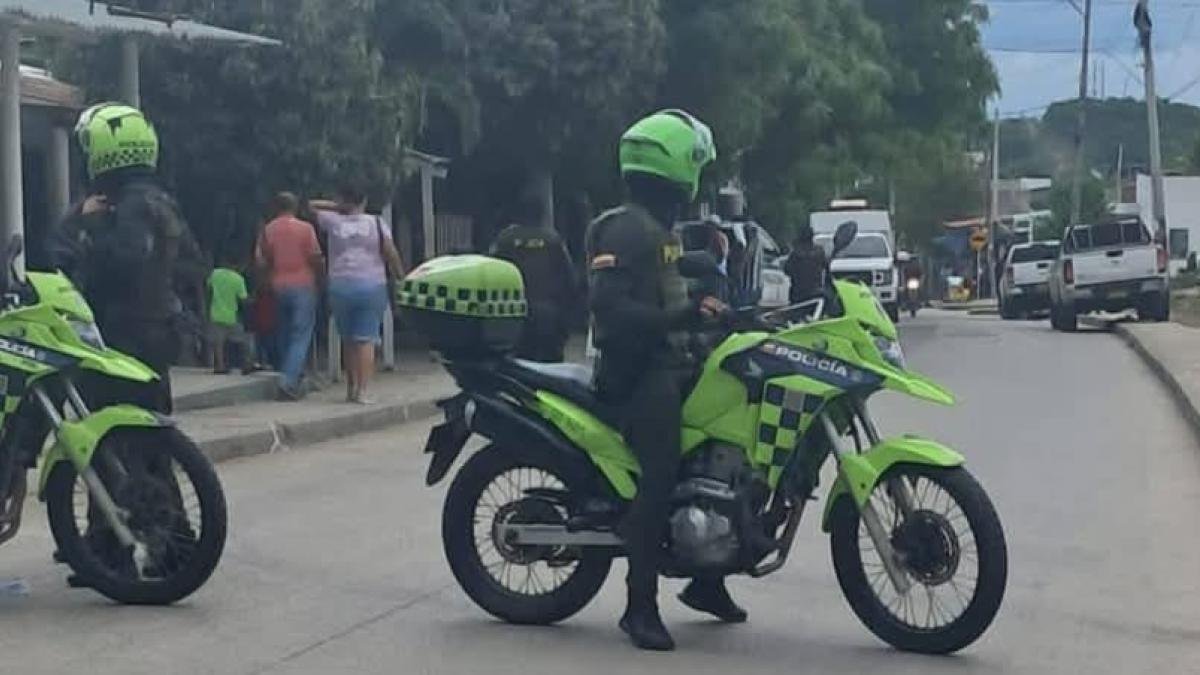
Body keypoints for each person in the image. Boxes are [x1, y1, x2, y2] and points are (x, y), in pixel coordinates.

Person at [586, 109, 740, 652]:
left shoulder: (657, 228)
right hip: (637, 373)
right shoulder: (625, 226)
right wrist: (683, 317)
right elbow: (609, 308)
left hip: (671, 360)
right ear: (678, 169)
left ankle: (707, 579)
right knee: (661, 474)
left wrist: (711, 301)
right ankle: (639, 607)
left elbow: (668, 272)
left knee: (722, 450)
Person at [49, 102, 198, 414]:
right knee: (154, 424)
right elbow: (191, 264)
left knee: (106, 423)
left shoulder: (112, 207)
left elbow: (117, 261)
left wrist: (90, 227)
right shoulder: (162, 201)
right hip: (160, 328)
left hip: (115, 334)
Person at [311, 185, 404, 404]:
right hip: (372, 285)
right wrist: (400, 276)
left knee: (349, 339)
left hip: (340, 285)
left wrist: (339, 206)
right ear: (364, 201)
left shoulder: (332, 221)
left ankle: (351, 389)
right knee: (366, 339)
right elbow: (390, 251)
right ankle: (363, 391)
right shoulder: (377, 223)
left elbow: (310, 205)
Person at [489, 191, 575, 362]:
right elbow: (569, 279)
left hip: (514, 316)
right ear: (542, 213)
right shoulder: (553, 240)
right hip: (548, 317)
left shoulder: (505, 240)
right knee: (550, 372)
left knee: (516, 367)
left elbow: (492, 272)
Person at [257, 192, 324, 399]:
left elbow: (261, 261)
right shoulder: (305, 228)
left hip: (278, 285)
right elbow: (315, 257)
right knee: (300, 335)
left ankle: (291, 373)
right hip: (303, 284)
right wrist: (321, 279)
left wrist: (266, 282)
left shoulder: (268, 230)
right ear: (295, 207)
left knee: (284, 333)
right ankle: (288, 381)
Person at [206, 256, 256, 374]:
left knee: (218, 343)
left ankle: (220, 366)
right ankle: (247, 364)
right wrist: (253, 299)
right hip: (231, 316)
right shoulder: (238, 279)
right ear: (237, 265)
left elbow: (208, 289)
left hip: (215, 314)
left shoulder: (215, 273)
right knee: (242, 341)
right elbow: (243, 300)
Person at [784, 224, 827, 304]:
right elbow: (825, 266)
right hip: (816, 291)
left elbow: (787, 270)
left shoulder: (795, 253)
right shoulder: (819, 252)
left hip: (798, 293)